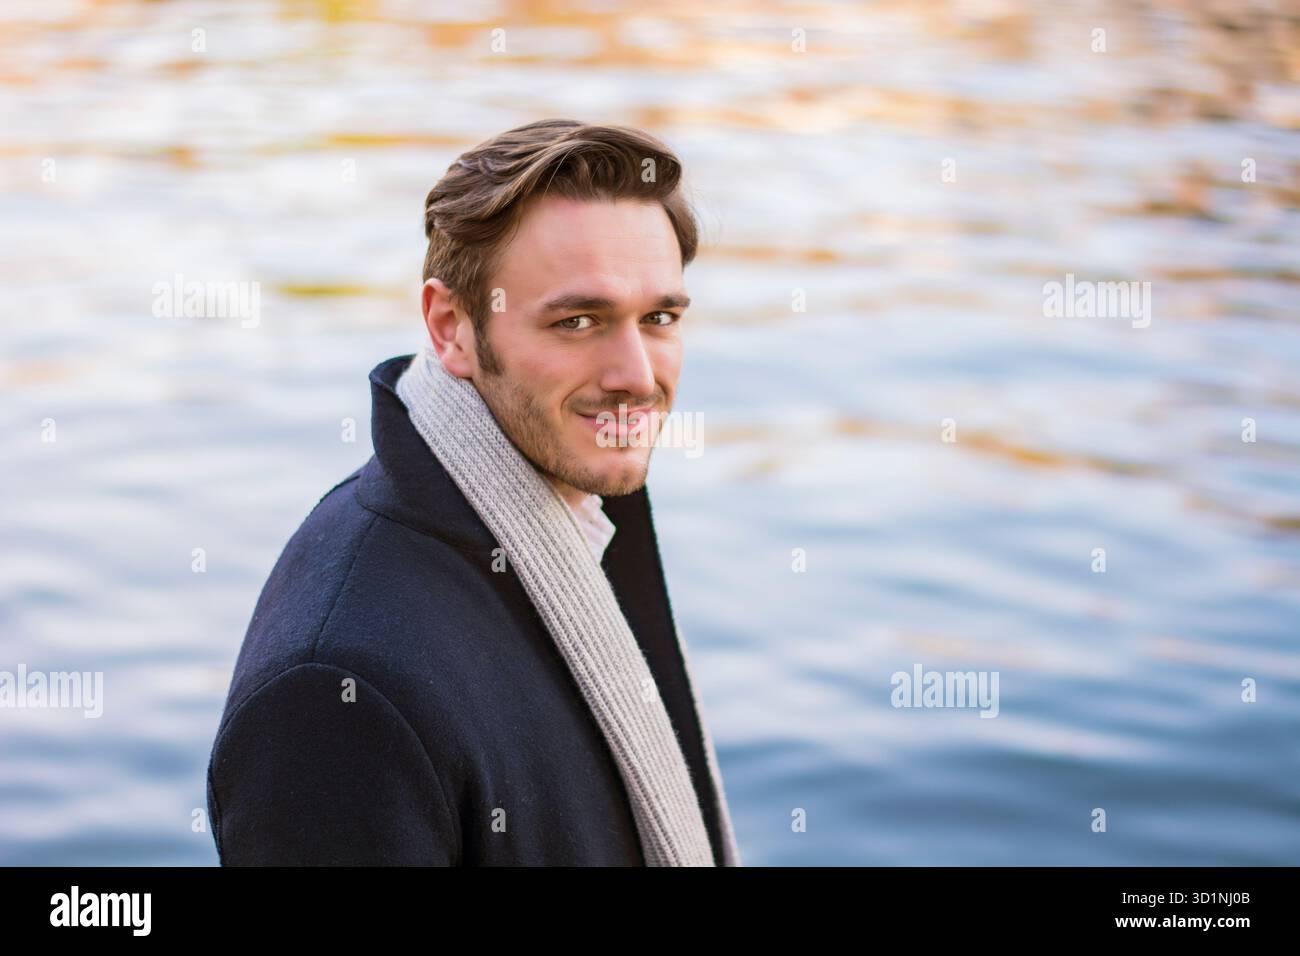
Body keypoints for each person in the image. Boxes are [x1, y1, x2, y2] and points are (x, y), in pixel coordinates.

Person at [205, 119, 741, 866]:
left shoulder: (582, 518)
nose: (637, 374)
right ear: (451, 326)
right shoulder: (333, 697)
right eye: (578, 321)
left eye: (658, 318)